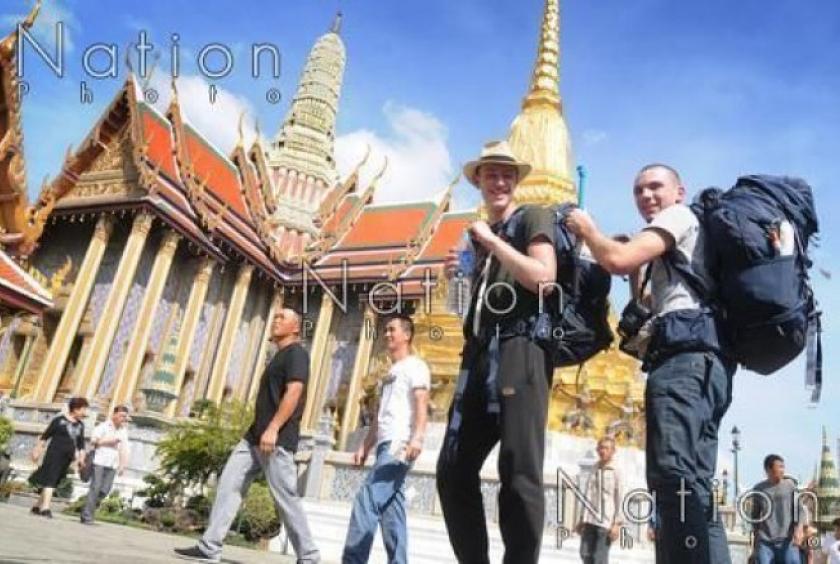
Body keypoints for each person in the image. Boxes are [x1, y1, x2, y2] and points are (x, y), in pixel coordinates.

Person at [566, 164, 734, 563]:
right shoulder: (684, 240)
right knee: (695, 486)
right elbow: (643, 305)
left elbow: (619, 259)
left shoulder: (678, 216)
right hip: (709, 364)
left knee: (672, 478)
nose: (646, 195)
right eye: (639, 190)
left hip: (682, 365)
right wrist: (633, 266)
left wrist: (588, 230)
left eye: (655, 186)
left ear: (679, 190)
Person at [436, 140, 557, 564]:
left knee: (519, 472)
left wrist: (494, 240)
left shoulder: (533, 217)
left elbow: (544, 278)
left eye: (507, 174)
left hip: (522, 350)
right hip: (479, 354)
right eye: (491, 174)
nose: (499, 181)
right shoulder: (474, 237)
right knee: (451, 471)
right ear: (479, 181)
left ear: (517, 181)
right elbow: (460, 310)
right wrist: (453, 276)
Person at [175, 308, 320, 563]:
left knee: (284, 496)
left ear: (295, 328)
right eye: (274, 317)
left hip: (276, 438)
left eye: (281, 318)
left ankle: (308, 556)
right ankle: (210, 546)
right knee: (229, 484)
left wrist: (274, 428)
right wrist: (262, 429)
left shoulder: (297, 354)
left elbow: (294, 392)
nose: (275, 321)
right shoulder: (278, 356)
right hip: (254, 435)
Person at [342, 314, 431, 563]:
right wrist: (364, 446)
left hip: (399, 443)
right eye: (386, 330)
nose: (387, 334)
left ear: (407, 334)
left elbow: (422, 403)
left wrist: (418, 438)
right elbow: (381, 415)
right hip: (385, 443)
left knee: (366, 501)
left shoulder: (416, 366)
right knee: (393, 513)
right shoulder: (390, 372)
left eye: (392, 329)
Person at [29, 396, 89, 518]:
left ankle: (37, 506)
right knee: (51, 479)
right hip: (54, 454)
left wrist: (81, 459)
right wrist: (37, 451)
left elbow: (81, 445)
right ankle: (45, 508)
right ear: (75, 409)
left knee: (54, 480)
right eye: (83, 409)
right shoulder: (59, 421)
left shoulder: (80, 425)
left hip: (67, 458)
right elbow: (45, 437)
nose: (84, 412)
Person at [750, 455, 808, 564]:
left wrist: (799, 529)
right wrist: (755, 543)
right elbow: (755, 517)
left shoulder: (790, 486)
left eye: (783, 467)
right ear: (768, 469)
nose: (783, 470)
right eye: (780, 467)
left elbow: (800, 511)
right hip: (766, 542)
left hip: (787, 540)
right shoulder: (758, 489)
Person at [576, 436, 623, 564]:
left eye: (606, 448)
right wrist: (581, 519)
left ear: (613, 451)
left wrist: (617, 524)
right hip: (589, 520)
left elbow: (621, 498)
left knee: (599, 559)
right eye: (600, 448)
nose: (603, 451)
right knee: (585, 554)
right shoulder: (594, 468)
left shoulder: (616, 471)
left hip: (605, 523)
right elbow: (588, 494)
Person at [80, 404, 131, 524]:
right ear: (114, 414)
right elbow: (94, 442)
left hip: (112, 464)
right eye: (121, 415)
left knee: (104, 490)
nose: (123, 418)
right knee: (95, 487)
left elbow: (124, 448)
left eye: (125, 416)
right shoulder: (103, 427)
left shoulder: (123, 431)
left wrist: (123, 465)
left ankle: (87, 509)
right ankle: (87, 515)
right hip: (99, 460)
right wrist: (110, 441)